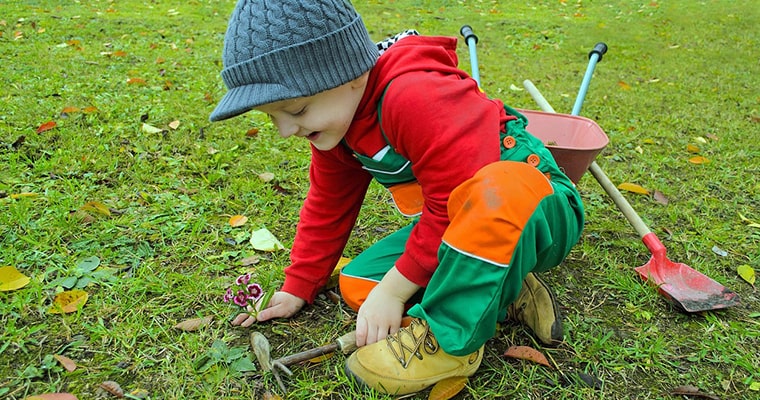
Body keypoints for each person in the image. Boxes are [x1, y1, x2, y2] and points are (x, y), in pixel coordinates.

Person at [210, 0, 584, 395]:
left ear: (348, 72)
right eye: (273, 117)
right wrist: (299, 284)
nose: (286, 130)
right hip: (463, 225)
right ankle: (505, 286)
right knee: (358, 284)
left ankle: (449, 344)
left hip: (536, 206)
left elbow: (452, 198)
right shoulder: (336, 128)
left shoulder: (413, 94)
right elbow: (327, 206)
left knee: (496, 189)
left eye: (297, 109)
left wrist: (395, 290)